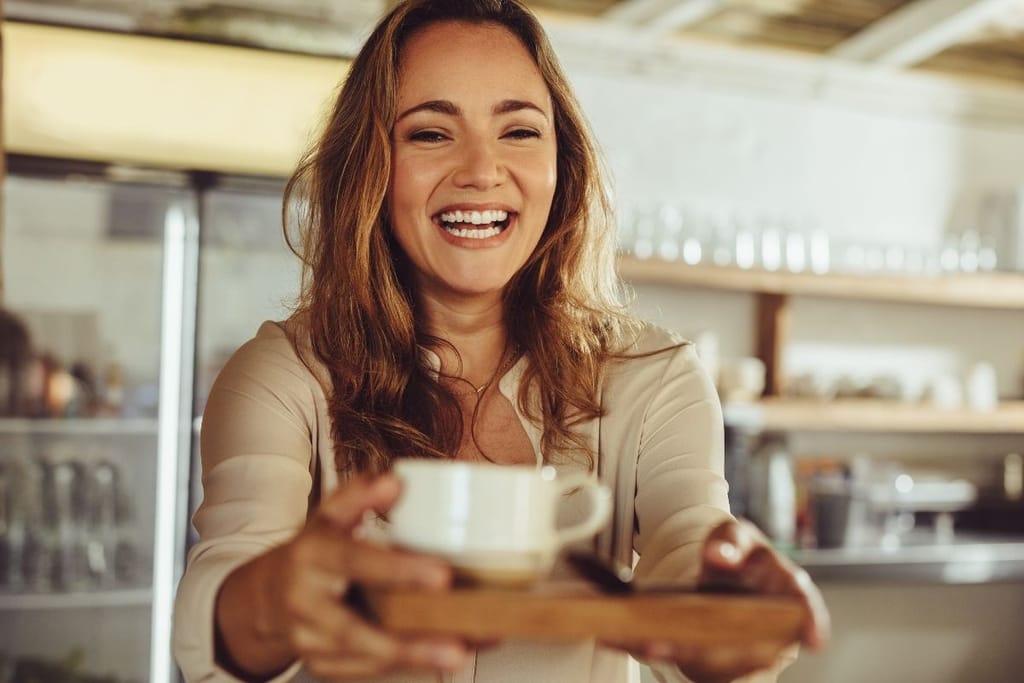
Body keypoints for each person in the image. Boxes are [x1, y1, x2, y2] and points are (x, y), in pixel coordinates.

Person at [172, 1, 830, 681]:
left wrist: (734, 608)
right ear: (369, 163)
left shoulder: (655, 379)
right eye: (430, 133)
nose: (482, 170)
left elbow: (687, 545)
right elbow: (217, 606)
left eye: (519, 130)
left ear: (561, 163)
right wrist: (275, 601)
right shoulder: (281, 377)